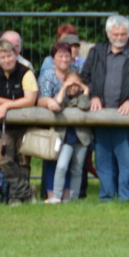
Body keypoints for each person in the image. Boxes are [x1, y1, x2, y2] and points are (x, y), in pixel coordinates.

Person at [81, 14, 129, 202]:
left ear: (128, 33)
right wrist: (94, 95)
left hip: (127, 115)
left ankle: (126, 197)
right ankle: (106, 195)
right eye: (116, 34)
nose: (120, 38)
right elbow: (86, 76)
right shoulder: (96, 51)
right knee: (103, 159)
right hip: (101, 114)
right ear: (108, 33)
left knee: (127, 159)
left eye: (123, 34)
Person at [37, 41, 92, 203]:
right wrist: (50, 102)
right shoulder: (48, 74)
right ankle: (53, 195)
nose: (64, 59)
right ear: (53, 58)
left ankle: (69, 196)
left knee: (74, 166)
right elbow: (42, 98)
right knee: (54, 163)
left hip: (76, 132)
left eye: (67, 55)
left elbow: (84, 100)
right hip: (55, 126)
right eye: (60, 55)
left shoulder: (76, 72)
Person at [0, 38, 39, 203]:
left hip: (26, 124)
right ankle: (28, 192)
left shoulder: (26, 72)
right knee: (2, 159)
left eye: (9, 55)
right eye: (2, 57)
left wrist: (6, 106)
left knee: (22, 161)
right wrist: (13, 103)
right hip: (3, 127)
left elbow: (30, 100)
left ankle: (16, 198)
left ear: (15, 54)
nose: (6, 60)